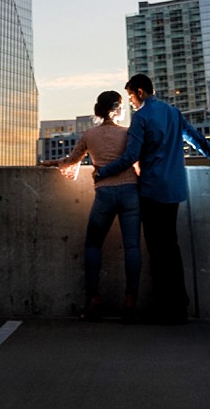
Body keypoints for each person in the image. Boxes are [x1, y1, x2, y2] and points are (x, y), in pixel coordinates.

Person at [92, 73, 210, 324]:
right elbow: (197, 139)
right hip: (174, 190)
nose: (131, 102)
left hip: (152, 190)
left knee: (157, 250)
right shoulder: (173, 112)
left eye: (131, 96)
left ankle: (165, 308)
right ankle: (179, 306)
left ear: (141, 92)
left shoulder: (142, 118)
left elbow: (129, 156)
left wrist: (103, 171)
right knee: (171, 248)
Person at [40, 89, 141, 321]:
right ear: (116, 109)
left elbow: (71, 160)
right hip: (129, 192)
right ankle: (130, 300)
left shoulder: (90, 134)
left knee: (93, 245)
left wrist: (50, 163)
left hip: (104, 193)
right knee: (132, 247)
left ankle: (93, 298)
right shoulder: (128, 133)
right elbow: (137, 161)